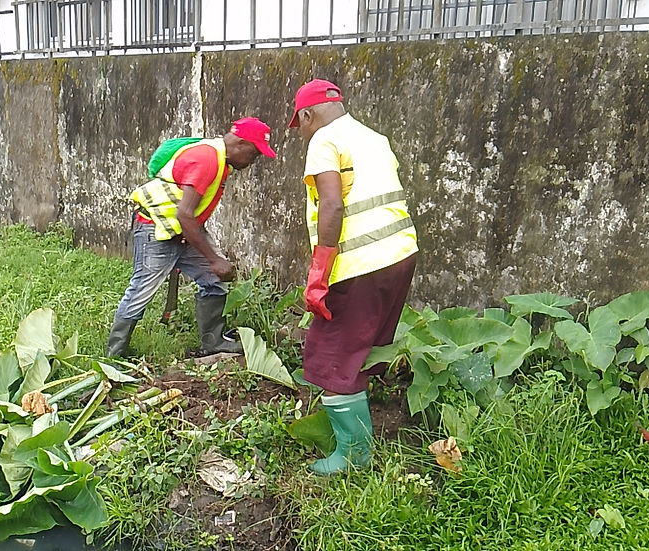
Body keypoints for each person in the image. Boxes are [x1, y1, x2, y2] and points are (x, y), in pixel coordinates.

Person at [289, 79, 419, 475]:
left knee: (330, 354)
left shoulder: (324, 139)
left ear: (307, 115)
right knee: (359, 347)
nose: (302, 133)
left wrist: (319, 273)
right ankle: (358, 427)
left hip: (360, 263)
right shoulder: (374, 138)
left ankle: (353, 457)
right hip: (399, 253)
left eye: (300, 125)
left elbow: (331, 205)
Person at [106, 117, 277, 358]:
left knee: (214, 280)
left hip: (182, 231)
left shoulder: (219, 159)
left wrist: (210, 259)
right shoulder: (208, 160)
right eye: (254, 153)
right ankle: (114, 355)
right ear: (240, 143)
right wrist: (214, 259)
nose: (253, 161)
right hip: (157, 230)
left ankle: (213, 342)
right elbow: (184, 214)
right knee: (140, 292)